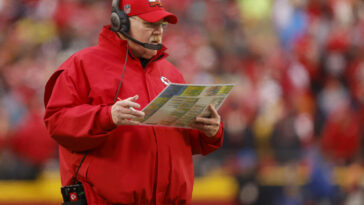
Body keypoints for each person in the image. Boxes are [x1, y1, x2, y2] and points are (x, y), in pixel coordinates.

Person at [43, 0, 224, 204]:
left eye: (161, 25)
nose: (158, 32)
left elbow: (182, 140)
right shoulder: (82, 65)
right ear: (120, 23)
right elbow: (57, 122)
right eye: (149, 25)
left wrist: (209, 131)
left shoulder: (170, 73)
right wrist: (107, 116)